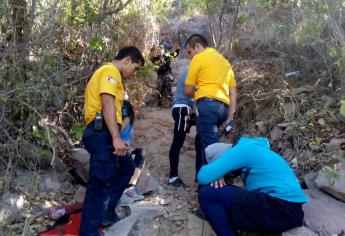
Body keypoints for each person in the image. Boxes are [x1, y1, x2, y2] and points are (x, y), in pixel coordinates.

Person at [80, 46, 144, 236]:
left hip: (106, 132)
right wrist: (116, 138)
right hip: (101, 133)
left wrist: (118, 138)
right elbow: (107, 102)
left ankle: (107, 211)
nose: (134, 73)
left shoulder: (112, 75)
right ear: (127, 60)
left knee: (127, 169)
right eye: (135, 67)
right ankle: (89, 232)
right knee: (99, 185)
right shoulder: (110, 71)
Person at [197, 137, 308, 236]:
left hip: (278, 206)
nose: (229, 176)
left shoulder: (242, 150)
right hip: (290, 211)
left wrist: (218, 173)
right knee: (228, 199)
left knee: (207, 193)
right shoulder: (260, 153)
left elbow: (202, 177)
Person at [184, 34, 237, 174]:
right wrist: (230, 116)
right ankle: (201, 177)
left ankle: (219, 184)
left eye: (190, 51)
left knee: (213, 149)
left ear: (197, 46)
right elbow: (233, 93)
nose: (190, 56)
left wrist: (200, 92)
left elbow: (188, 89)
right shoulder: (226, 63)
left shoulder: (199, 58)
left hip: (207, 106)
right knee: (201, 140)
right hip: (223, 110)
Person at [168, 67, 195, 187]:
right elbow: (189, 91)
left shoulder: (192, 69)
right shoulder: (193, 70)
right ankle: (173, 177)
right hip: (182, 108)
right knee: (177, 142)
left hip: (185, 109)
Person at [118, 100, 145, 204]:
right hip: (116, 149)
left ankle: (129, 187)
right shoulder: (118, 122)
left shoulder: (127, 123)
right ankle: (123, 190)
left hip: (124, 149)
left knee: (140, 154)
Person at [150, 39, 180, 106]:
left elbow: (175, 54)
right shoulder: (155, 59)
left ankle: (170, 98)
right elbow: (150, 57)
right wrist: (152, 49)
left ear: (163, 50)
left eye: (159, 50)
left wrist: (177, 49)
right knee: (160, 87)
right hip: (160, 75)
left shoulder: (167, 56)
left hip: (167, 74)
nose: (158, 51)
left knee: (168, 83)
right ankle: (159, 102)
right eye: (157, 50)